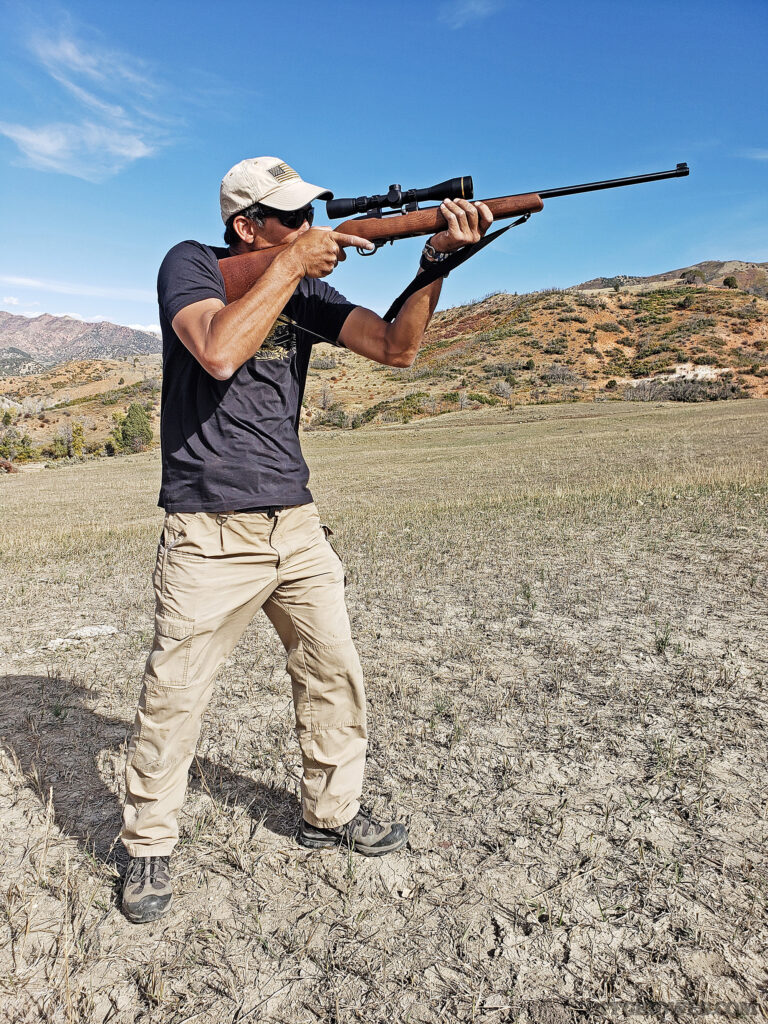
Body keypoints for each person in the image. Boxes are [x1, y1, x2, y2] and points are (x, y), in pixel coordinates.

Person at [119, 156, 492, 923]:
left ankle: (334, 811)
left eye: (309, 215)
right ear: (245, 225)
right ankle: (148, 846)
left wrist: (434, 266)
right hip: (208, 528)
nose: (309, 229)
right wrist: (288, 264)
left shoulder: (306, 286)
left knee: (332, 674)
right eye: (290, 219)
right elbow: (218, 350)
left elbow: (396, 347)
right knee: (174, 700)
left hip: (295, 521)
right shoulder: (190, 265)